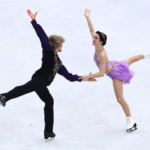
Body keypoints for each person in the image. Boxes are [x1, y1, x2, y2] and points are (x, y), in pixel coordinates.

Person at [0, 9, 96, 140]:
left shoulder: (59, 63)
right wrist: (34, 21)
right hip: (40, 77)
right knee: (26, 87)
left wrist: (85, 78)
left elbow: (69, 76)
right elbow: (42, 36)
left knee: (49, 101)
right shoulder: (49, 50)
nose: (63, 46)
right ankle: (4, 96)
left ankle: (48, 132)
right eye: (61, 44)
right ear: (57, 44)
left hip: (43, 81)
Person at [79, 9, 150, 132]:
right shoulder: (97, 44)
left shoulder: (102, 55)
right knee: (131, 60)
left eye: (95, 38)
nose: (93, 38)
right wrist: (87, 17)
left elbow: (101, 73)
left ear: (100, 41)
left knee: (119, 98)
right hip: (115, 64)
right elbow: (91, 29)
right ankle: (147, 54)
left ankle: (130, 121)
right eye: (94, 37)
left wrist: (87, 77)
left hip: (115, 73)